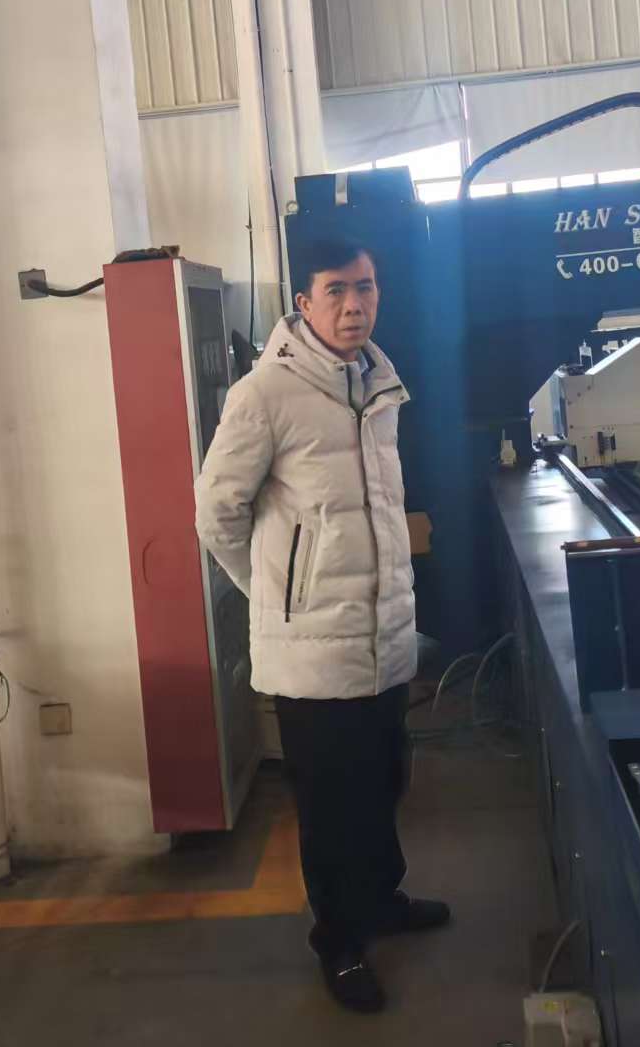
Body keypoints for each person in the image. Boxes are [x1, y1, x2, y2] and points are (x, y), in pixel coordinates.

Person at [194, 235, 449, 1014]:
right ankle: (338, 941)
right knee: (331, 806)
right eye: (336, 290)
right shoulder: (264, 394)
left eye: (365, 287)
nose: (354, 304)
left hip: (381, 639)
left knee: (384, 781)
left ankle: (381, 900)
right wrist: (279, 597)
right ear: (303, 304)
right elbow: (216, 511)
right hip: (313, 652)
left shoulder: (379, 384)